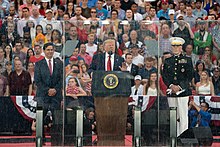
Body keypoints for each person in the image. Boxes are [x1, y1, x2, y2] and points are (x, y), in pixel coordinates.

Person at [162, 37, 194, 137]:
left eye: (177, 46)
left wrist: (179, 87)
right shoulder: (168, 61)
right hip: (171, 91)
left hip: (183, 91)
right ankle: (174, 136)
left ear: (181, 47)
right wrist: (171, 86)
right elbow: (164, 75)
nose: (175, 48)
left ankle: (183, 136)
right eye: (174, 46)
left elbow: (189, 75)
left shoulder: (187, 60)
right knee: (173, 115)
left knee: (183, 115)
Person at [34, 42, 63, 114]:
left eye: (51, 50)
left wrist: (55, 89)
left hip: (56, 96)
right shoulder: (38, 64)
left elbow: (61, 79)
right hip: (43, 96)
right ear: (44, 51)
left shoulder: (59, 63)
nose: (50, 51)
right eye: (48, 50)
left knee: (57, 119)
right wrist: (48, 90)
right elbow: (37, 80)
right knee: (41, 119)